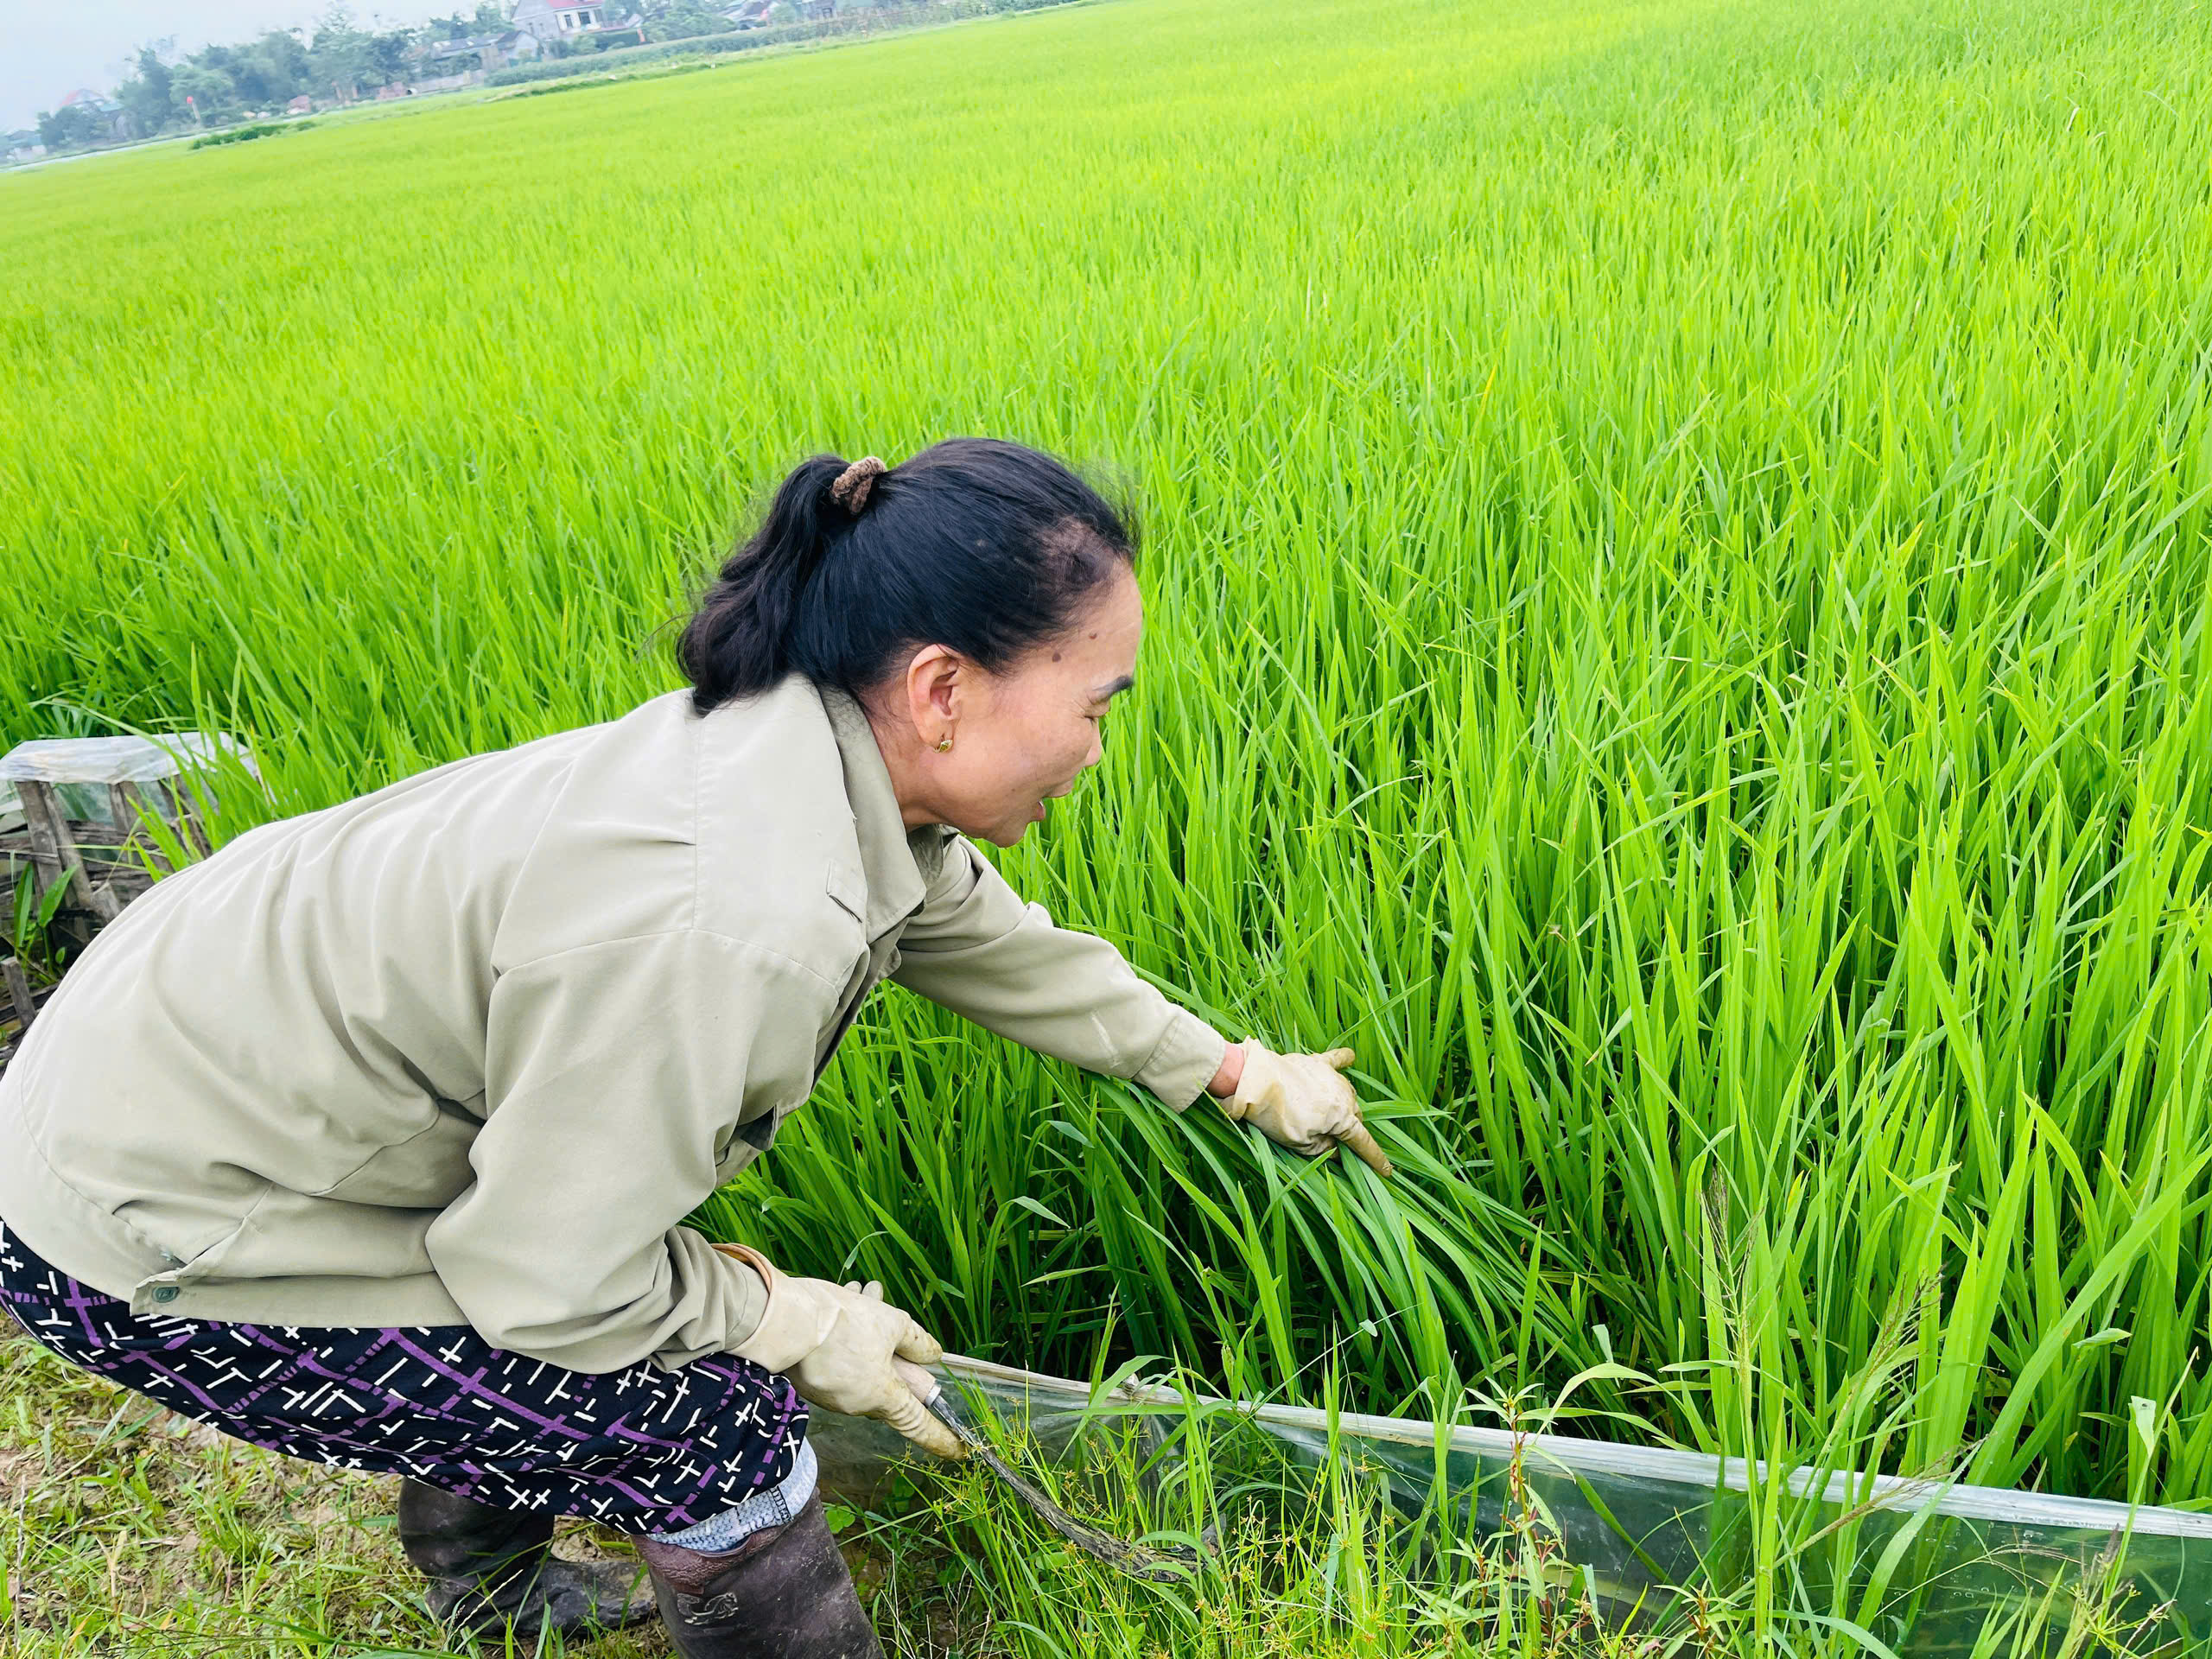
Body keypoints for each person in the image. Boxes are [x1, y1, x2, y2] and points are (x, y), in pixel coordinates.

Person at [0, 439, 1388, 1658]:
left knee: (604, 1264)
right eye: (1096, 705)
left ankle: (497, 1597)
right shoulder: (740, 915)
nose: (1096, 748)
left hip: (195, 1080)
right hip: (146, 1226)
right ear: (945, 689)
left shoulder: (811, 754)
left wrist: (1234, 1072)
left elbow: (980, 934)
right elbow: (547, 1278)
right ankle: (534, 1588)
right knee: (708, 1423)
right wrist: (790, 1320)